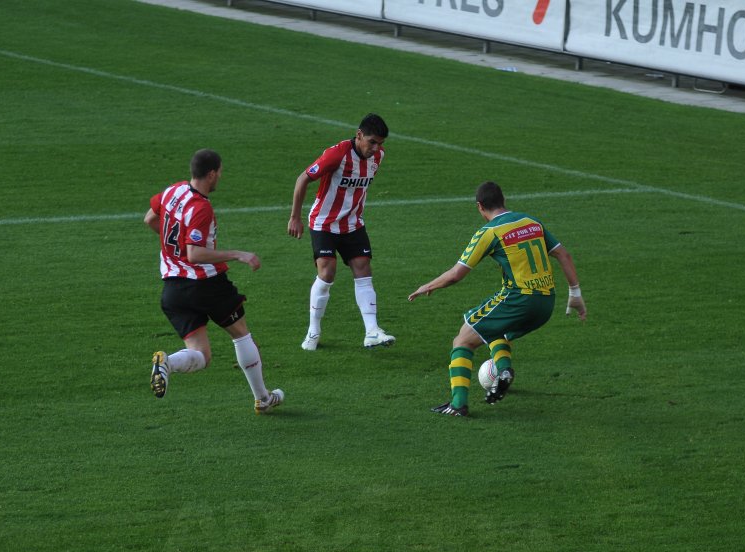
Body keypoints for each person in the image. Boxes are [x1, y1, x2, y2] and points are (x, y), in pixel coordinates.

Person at [408, 181, 587, 416]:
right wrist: (575, 294)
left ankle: (458, 404)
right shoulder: (531, 222)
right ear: (504, 200)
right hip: (546, 303)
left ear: (479, 206)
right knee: (494, 329)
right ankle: (503, 371)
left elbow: (456, 274)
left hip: (519, 299)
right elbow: (564, 254)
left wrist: (428, 285)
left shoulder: (490, 232)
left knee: (463, 339)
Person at [144, 148, 284, 415]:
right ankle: (263, 398)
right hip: (206, 285)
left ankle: (168, 364)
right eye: (219, 172)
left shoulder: (172, 191)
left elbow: (150, 219)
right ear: (211, 174)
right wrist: (238, 254)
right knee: (241, 333)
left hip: (173, 289)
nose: (220, 176)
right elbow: (195, 254)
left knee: (202, 356)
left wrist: (172, 248)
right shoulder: (201, 208)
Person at [287, 113, 396, 351]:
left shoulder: (378, 157)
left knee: (363, 267)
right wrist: (295, 217)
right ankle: (313, 331)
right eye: (372, 142)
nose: (376, 148)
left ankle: (371, 331)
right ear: (359, 135)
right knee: (327, 272)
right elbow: (303, 178)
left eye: (380, 143)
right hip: (324, 222)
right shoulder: (336, 154)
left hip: (353, 223)